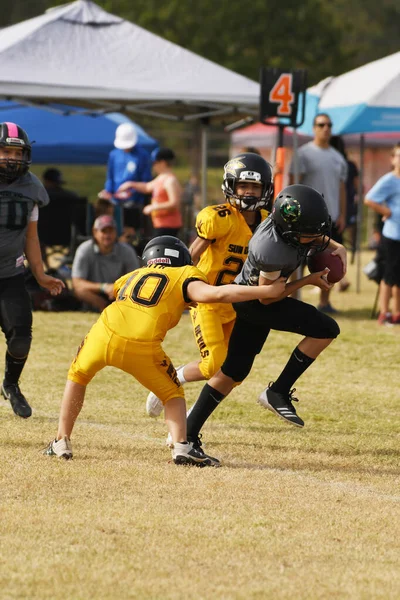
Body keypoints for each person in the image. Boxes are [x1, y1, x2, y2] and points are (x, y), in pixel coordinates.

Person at [43, 235, 286, 465]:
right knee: (172, 394)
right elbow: (216, 293)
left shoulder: (133, 274)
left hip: (101, 334)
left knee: (77, 377)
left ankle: (61, 441)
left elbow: (116, 292)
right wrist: (265, 291)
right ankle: (182, 446)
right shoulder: (184, 273)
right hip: (142, 342)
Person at [183, 184, 346, 454]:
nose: (316, 238)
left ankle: (187, 434)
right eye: (308, 234)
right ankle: (278, 391)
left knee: (233, 371)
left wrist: (337, 245)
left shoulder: (284, 222)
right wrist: (309, 280)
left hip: (254, 300)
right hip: (256, 303)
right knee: (326, 328)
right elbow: (269, 297)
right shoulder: (271, 249)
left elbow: (310, 233)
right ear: (290, 232)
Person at [146, 152, 273, 419]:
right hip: (207, 299)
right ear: (231, 186)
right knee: (212, 364)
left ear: (265, 189)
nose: (249, 193)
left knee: (234, 371)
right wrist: (177, 287)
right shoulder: (219, 218)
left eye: (255, 187)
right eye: (243, 186)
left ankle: (194, 414)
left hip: (236, 302)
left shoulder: (268, 220)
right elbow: (191, 254)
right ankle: (171, 380)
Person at [0, 122, 64, 418]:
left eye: (16, 152)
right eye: (5, 151)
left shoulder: (31, 187)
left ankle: (11, 384)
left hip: (9, 275)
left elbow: (31, 236)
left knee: (22, 338)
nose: (12, 158)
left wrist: (40, 274)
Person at [289, 113, 347, 313]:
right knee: (297, 262)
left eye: (329, 125)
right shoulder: (303, 154)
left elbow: (341, 188)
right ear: (313, 128)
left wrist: (342, 214)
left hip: (330, 218)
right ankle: (293, 301)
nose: (326, 128)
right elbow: (292, 185)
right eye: (321, 124)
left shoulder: (338, 157)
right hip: (306, 219)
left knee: (329, 262)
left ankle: (324, 303)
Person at [71, 215, 140, 312]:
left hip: (119, 294)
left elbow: (136, 280)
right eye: (104, 231)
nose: (107, 235)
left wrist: (118, 289)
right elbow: (76, 283)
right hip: (95, 293)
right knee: (79, 291)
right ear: (95, 232)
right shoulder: (84, 249)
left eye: (110, 231)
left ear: (116, 233)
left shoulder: (127, 251)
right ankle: (103, 308)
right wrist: (103, 287)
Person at [364, 143, 400, 325]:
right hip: (392, 235)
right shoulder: (389, 180)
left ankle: (397, 313)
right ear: (393, 159)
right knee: (389, 275)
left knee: (398, 277)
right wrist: (387, 212)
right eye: (399, 156)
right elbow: (369, 199)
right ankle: (384, 313)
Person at [98, 123, 152, 235]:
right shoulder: (114, 155)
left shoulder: (142, 155)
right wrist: (108, 192)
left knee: (130, 229)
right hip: (115, 201)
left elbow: (146, 181)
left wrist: (132, 189)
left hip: (135, 202)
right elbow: (110, 177)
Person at [118, 148, 183, 237]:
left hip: (168, 226)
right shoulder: (160, 178)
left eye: (154, 163)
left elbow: (175, 203)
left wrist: (153, 207)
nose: (153, 166)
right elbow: (147, 187)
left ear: (162, 162)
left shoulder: (170, 180)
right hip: (160, 225)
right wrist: (131, 184)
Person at [38, 168, 82, 262]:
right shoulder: (72, 198)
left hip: (42, 237)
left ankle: (42, 265)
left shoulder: (38, 199)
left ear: (46, 181)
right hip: (68, 237)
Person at [330, 135, 359, 276]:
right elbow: (357, 186)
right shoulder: (350, 164)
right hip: (346, 207)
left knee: (329, 247)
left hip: (334, 207)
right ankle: (342, 276)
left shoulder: (334, 162)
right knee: (341, 243)